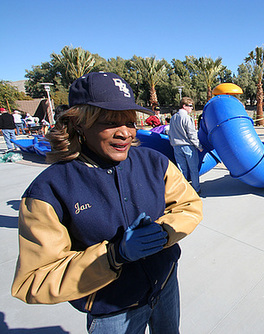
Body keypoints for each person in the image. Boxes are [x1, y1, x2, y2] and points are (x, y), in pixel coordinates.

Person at [11, 72, 203, 334]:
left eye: (130, 121)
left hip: (166, 285)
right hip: (110, 311)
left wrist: (164, 231)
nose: (125, 133)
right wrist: (113, 255)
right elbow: (34, 280)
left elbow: (189, 206)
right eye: (110, 122)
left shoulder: (154, 162)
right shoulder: (49, 190)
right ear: (80, 123)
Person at [168, 97, 203, 194]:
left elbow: (170, 133)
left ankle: (184, 190)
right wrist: (199, 146)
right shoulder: (187, 118)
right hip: (188, 146)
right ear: (184, 106)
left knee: (182, 169)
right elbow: (192, 134)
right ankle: (196, 189)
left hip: (176, 146)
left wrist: (173, 143)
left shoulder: (173, 118)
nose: (191, 108)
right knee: (193, 169)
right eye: (190, 106)